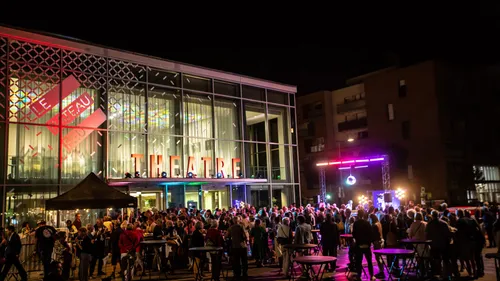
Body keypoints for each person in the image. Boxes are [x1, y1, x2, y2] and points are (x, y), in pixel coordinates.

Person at [426, 210, 452, 279]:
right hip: (443, 244)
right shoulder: (444, 223)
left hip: (434, 245)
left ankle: (438, 273)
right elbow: (448, 234)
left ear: (432, 216)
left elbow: (427, 235)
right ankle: (446, 274)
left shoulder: (429, 224)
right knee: (445, 259)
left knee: (437, 259)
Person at [352, 209, 374, 280]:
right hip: (367, 245)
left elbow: (354, 234)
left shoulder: (356, 223)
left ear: (358, 215)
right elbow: (371, 233)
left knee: (359, 261)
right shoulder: (367, 223)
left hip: (359, 244)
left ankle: (359, 275)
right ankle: (371, 275)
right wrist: (369, 242)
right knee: (369, 261)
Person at [370, 213, 385, 279]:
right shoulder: (379, 223)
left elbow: (374, 235)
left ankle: (381, 272)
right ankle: (381, 271)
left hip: (376, 242)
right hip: (381, 240)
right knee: (379, 257)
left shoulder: (374, 225)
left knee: (378, 257)